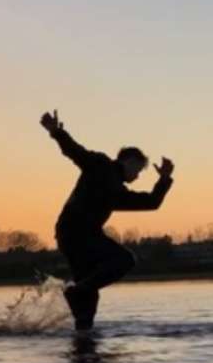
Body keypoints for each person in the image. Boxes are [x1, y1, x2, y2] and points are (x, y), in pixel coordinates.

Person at [41, 110, 175, 330]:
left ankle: (83, 342)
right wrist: (56, 132)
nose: (137, 177)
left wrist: (164, 179)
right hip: (76, 232)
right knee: (125, 260)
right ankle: (75, 292)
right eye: (139, 170)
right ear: (129, 161)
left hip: (72, 235)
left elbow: (151, 203)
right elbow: (76, 152)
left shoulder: (118, 192)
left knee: (88, 296)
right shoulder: (100, 164)